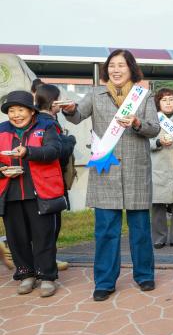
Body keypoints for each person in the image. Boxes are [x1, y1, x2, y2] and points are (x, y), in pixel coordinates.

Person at [62, 49, 160, 302]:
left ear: (131, 69)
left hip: (137, 170)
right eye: (112, 66)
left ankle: (144, 275)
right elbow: (76, 116)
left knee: (140, 228)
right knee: (105, 229)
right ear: (107, 69)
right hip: (106, 169)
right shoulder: (95, 93)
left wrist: (137, 123)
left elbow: (154, 129)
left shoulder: (144, 95)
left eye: (122, 65)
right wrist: (69, 109)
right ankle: (105, 281)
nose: (116, 70)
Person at [0, 90, 64, 297]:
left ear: (31, 111)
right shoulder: (1, 130)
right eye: (11, 110)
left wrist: (29, 152)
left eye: (21, 109)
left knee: (43, 236)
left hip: (40, 191)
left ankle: (46, 276)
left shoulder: (45, 126)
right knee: (16, 237)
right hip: (10, 192)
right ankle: (26, 274)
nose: (16, 114)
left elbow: (55, 150)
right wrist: (2, 169)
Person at [34, 84, 77, 271]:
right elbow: (58, 151)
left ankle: (42, 261)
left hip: (37, 182)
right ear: (53, 103)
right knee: (51, 226)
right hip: (51, 181)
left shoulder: (35, 120)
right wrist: (70, 140)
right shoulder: (49, 122)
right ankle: (46, 263)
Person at [150, 88, 173, 249]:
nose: (168, 102)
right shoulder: (153, 119)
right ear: (158, 103)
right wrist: (158, 142)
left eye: (171, 99)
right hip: (158, 167)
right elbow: (145, 141)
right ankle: (158, 238)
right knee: (157, 205)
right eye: (164, 100)